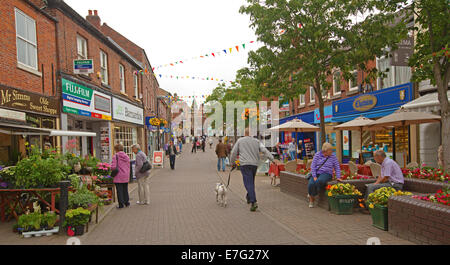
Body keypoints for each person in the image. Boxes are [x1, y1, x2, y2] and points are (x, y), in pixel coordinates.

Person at [230, 128, 274, 212]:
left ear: (245, 133)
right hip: (254, 164)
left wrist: (232, 162)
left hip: (245, 164)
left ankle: (253, 201)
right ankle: (249, 196)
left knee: (248, 183)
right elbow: (264, 150)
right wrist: (272, 158)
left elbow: (233, 152)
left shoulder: (240, 141)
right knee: (251, 182)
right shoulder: (257, 141)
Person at [308, 142, 341, 208]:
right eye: (330, 150)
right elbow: (313, 166)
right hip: (317, 172)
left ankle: (311, 195)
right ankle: (311, 200)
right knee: (311, 183)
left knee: (319, 181)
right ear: (325, 151)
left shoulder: (333, 157)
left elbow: (337, 167)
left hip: (327, 173)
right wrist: (314, 176)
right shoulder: (317, 155)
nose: (332, 151)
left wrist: (338, 177)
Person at [111, 144, 131, 209]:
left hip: (118, 176)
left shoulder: (115, 156)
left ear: (116, 149)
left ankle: (121, 204)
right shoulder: (127, 156)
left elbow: (113, 167)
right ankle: (127, 202)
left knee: (119, 190)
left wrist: (110, 167)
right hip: (125, 175)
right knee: (125, 189)